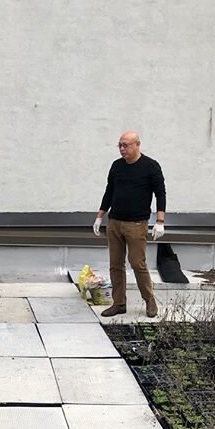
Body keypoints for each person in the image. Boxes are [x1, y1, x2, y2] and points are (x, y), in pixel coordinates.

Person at [92, 131, 166, 318]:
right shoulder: (116, 166)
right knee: (115, 264)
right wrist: (100, 216)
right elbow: (109, 191)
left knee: (137, 262)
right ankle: (119, 303)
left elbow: (160, 193)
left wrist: (159, 221)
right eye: (120, 145)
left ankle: (149, 300)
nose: (122, 149)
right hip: (115, 222)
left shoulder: (151, 166)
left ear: (137, 145)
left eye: (126, 145)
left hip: (136, 223)